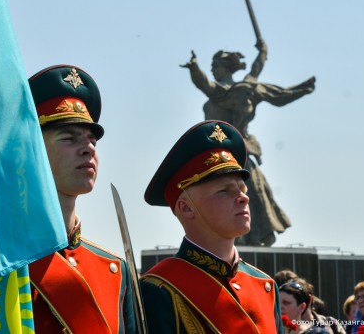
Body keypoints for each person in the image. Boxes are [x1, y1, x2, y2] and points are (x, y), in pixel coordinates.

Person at [140, 120, 282, 333]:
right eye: (224, 190)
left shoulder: (265, 286)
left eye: (242, 189)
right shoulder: (159, 289)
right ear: (186, 208)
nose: (243, 197)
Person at [26, 65, 136, 333]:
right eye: (69, 138)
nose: (88, 148)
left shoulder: (115, 270)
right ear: (31, 149)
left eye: (92, 140)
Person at [182, 39, 316, 245]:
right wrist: (263, 51)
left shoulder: (230, 92)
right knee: (230, 192)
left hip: (234, 151)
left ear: (226, 68)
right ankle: (238, 235)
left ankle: (254, 235)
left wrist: (194, 69)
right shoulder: (232, 90)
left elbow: (206, 83)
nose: (213, 70)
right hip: (218, 153)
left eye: (215, 66)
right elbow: (252, 69)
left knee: (248, 190)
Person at [279, 277, 346, 333]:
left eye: (286, 302)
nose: (280, 307)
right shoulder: (276, 329)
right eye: (278, 303)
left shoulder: (329, 324)